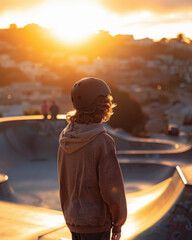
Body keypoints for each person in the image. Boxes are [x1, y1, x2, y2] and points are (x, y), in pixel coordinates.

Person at [57, 77, 127, 240]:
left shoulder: (65, 139)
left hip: (74, 220)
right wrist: (118, 222)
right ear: (102, 107)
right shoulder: (102, 142)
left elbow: (64, 183)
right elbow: (111, 188)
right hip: (96, 223)